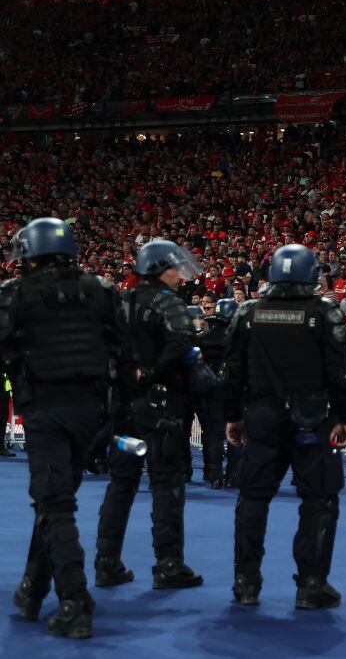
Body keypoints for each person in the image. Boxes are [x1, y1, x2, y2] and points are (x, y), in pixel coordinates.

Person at [1, 218, 133, 639]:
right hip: (93, 411)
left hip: (45, 410)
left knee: (54, 504)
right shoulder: (102, 290)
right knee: (56, 499)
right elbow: (123, 355)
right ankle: (33, 588)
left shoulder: (15, 294)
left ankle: (75, 601)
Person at [224, 244, 346, 607]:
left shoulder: (248, 312)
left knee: (252, 499)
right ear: (311, 274)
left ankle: (245, 583)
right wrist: (345, 418)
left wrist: (233, 416)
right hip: (313, 420)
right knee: (319, 500)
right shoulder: (325, 313)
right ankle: (311, 586)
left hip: (262, 418)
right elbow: (342, 373)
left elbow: (232, 372)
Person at [95, 239, 205, 592]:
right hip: (160, 409)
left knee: (121, 484)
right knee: (166, 484)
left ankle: (106, 562)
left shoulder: (122, 302)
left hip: (123, 410)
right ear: (160, 270)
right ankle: (169, 565)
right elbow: (182, 343)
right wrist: (154, 373)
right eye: (176, 268)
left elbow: (104, 348)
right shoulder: (167, 303)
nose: (182, 276)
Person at [195, 298, 235, 488]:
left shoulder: (203, 339)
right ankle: (234, 473)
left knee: (213, 432)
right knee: (236, 431)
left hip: (209, 390)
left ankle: (213, 473)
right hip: (233, 389)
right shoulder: (239, 340)